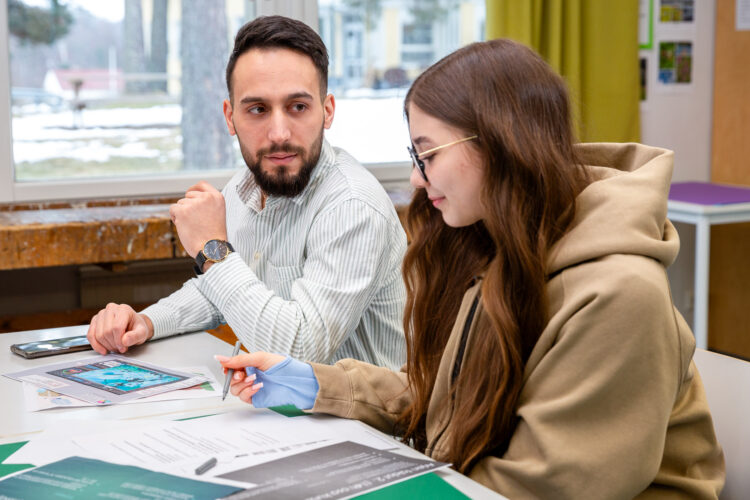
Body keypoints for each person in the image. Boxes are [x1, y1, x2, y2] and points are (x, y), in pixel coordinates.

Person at [217, 38, 725, 498]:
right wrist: (317, 384)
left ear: (501, 144)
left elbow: (540, 488)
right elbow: (446, 396)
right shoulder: (498, 249)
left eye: (428, 155)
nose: (417, 180)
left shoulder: (618, 295)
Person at [86, 16, 407, 370]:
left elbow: (298, 350)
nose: (279, 133)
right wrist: (147, 323)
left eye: (298, 107)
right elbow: (220, 289)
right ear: (230, 117)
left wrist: (212, 248)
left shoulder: (352, 205)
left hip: (356, 408)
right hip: (280, 401)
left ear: (327, 111)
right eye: (258, 109)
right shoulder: (245, 186)